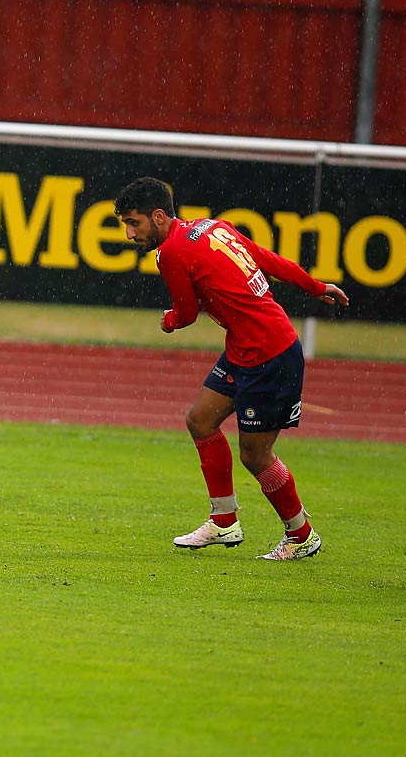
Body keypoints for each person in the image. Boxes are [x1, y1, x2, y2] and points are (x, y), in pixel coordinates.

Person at [114, 177, 350, 560]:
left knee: (256, 456)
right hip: (245, 349)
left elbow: (187, 314)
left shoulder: (172, 252)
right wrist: (316, 286)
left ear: (158, 216)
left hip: (269, 356)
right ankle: (224, 521)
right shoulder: (211, 226)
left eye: (133, 222)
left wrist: (168, 321)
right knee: (200, 420)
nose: (129, 233)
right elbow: (265, 259)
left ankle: (302, 536)